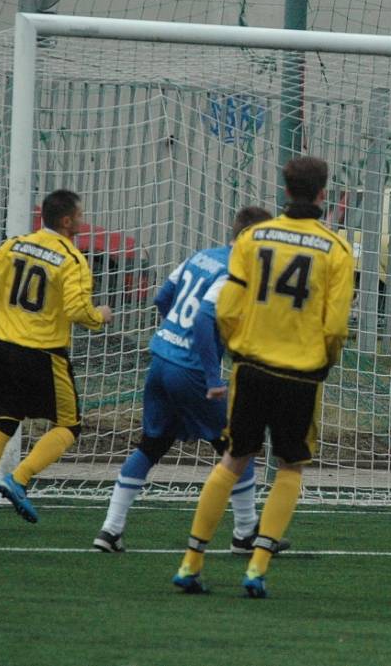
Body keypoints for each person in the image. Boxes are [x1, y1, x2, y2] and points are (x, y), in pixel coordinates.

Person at [172, 155, 354, 598]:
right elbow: (335, 326)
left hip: (251, 366)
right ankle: (256, 567)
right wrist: (324, 360)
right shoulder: (337, 249)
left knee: (234, 457)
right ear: (322, 192)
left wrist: (238, 349)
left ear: (286, 189)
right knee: (290, 466)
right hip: (301, 372)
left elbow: (228, 307)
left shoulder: (252, 237)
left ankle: (191, 561)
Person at [92, 206, 283, 554]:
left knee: (152, 445)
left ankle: (110, 529)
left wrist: (173, 333)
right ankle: (244, 534)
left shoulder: (201, 256)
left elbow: (162, 296)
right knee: (239, 447)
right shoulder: (233, 270)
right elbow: (203, 320)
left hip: (161, 358)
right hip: (190, 371)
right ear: (247, 239)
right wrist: (212, 376)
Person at [0, 189, 113, 529]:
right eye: (80, 214)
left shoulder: (15, 245)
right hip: (44, 353)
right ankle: (19, 478)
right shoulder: (72, 259)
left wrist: (1, 310)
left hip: (4, 348)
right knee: (70, 426)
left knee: (5, 421)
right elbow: (75, 309)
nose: (84, 220)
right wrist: (99, 316)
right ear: (68, 220)